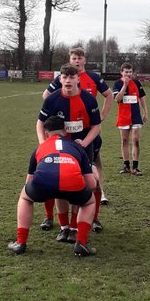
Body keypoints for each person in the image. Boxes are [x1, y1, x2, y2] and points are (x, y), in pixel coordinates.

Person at [8, 116, 98, 257]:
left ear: (45, 133)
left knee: (25, 198)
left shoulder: (40, 148)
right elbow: (92, 184)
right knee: (90, 201)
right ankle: (81, 243)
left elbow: (29, 181)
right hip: (72, 182)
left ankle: (20, 242)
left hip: (44, 181)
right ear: (65, 132)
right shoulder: (77, 147)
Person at [42, 47, 112, 218]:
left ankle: (98, 196)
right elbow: (46, 97)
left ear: (84, 60)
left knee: (94, 164)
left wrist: (102, 114)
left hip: (87, 133)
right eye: (74, 58)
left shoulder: (94, 78)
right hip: (62, 138)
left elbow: (109, 95)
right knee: (55, 173)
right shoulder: (62, 79)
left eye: (80, 58)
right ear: (70, 59)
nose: (77, 61)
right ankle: (53, 217)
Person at [37, 65, 101, 243]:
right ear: (60, 80)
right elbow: (40, 123)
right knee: (60, 187)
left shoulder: (88, 100)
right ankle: (64, 227)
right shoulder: (52, 100)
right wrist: (44, 144)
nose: (68, 80)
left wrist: (85, 142)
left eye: (71, 77)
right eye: (64, 77)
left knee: (82, 186)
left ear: (77, 79)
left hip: (82, 150)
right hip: (58, 149)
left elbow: (97, 126)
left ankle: (74, 227)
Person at [113, 63, 148, 175]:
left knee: (136, 139)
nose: (128, 74)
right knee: (124, 140)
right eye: (126, 72)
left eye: (130, 72)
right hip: (123, 116)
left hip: (136, 116)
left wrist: (145, 112)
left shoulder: (137, 83)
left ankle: (136, 167)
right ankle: (126, 165)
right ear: (121, 72)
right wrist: (124, 86)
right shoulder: (117, 84)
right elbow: (117, 99)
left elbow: (142, 98)